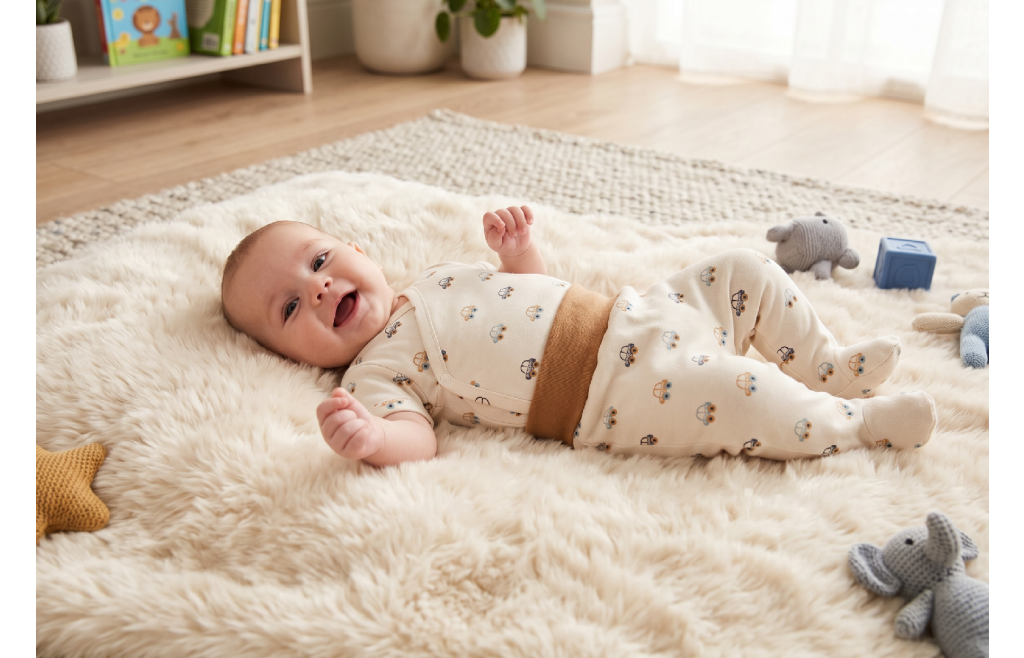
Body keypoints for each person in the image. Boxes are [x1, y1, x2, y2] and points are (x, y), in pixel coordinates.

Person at [221, 206, 936, 467]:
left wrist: (518, 254)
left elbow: (532, 292)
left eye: (321, 261)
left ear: (357, 249)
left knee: (742, 269)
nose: (319, 287)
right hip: (617, 393)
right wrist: (373, 440)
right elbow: (418, 439)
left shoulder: (434, 276)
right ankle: (859, 423)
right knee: (741, 393)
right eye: (290, 307)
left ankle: (827, 364)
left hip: (638, 311)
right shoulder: (373, 377)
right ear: (285, 355)